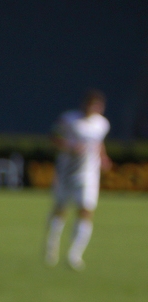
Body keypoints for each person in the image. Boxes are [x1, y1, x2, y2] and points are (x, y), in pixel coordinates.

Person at [44, 90, 111, 271]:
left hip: (88, 174)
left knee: (86, 211)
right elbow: (54, 136)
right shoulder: (70, 119)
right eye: (92, 104)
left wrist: (103, 158)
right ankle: (51, 247)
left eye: (98, 106)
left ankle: (75, 254)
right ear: (85, 104)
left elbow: (98, 143)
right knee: (60, 209)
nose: (94, 108)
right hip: (66, 172)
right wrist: (70, 146)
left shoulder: (102, 124)